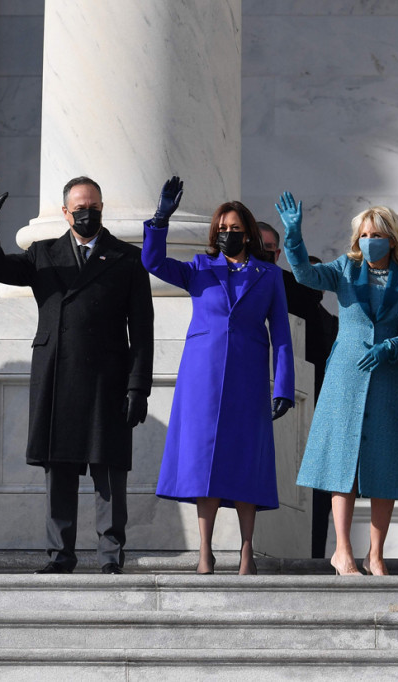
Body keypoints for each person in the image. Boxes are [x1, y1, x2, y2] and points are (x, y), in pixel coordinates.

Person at [0, 175, 154, 575]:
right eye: (80, 208)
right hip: (58, 376)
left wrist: (138, 386)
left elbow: (141, 330)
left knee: (108, 471)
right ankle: (60, 555)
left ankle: (110, 556)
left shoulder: (126, 257)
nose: (87, 214)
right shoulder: (44, 254)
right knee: (60, 469)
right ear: (65, 211)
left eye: (94, 207)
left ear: (102, 209)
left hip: (108, 378)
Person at [142, 177, 294, 575]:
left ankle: (246, 552)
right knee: (203, 463)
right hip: (201, 378)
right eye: (221, 230)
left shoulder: (268, 275)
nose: (227, 235)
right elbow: (153, 263)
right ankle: (205, 553)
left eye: (234, 229)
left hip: (248, 376)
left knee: (246, 460)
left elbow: (280, 334)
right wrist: (160, 220)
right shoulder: (199, 267)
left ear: (248, 233)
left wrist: (283, 386)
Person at [277, 193, 398, 576]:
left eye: (376, 234)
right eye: (364, 234)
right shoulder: (343, 268)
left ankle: (375, 554)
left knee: (385, 465)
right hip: (346, 375)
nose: (369, 240)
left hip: (388, 379)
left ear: (391, 239)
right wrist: (293, 236)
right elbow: (306, 275)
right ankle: (342, 551)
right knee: (342, 461)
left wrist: (392, 346)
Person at [258, 219, 339, 559]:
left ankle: (316, 554)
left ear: (277, 253)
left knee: (317, 490)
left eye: (266, 249)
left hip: (310, 406)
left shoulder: (292, 288)